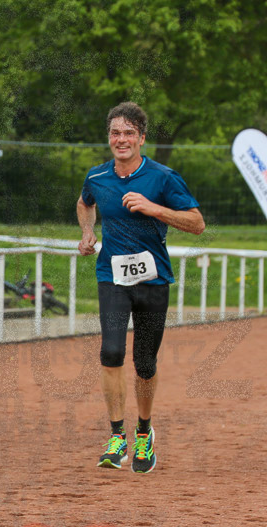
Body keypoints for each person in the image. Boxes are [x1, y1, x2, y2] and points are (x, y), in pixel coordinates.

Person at [77, 101, 204, 473]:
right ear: (109, 138)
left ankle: (144, 432)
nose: (122, 139)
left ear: (142, 138)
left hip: (153, 280)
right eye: (116, 133)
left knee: (144, 362)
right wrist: (87, 232)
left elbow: (196, 223)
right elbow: (85, 204)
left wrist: (154, 208)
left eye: (129, 133)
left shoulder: (163, 178)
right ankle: (117, 435)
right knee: (111, 351)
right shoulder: (97, 177)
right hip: (112, 277)